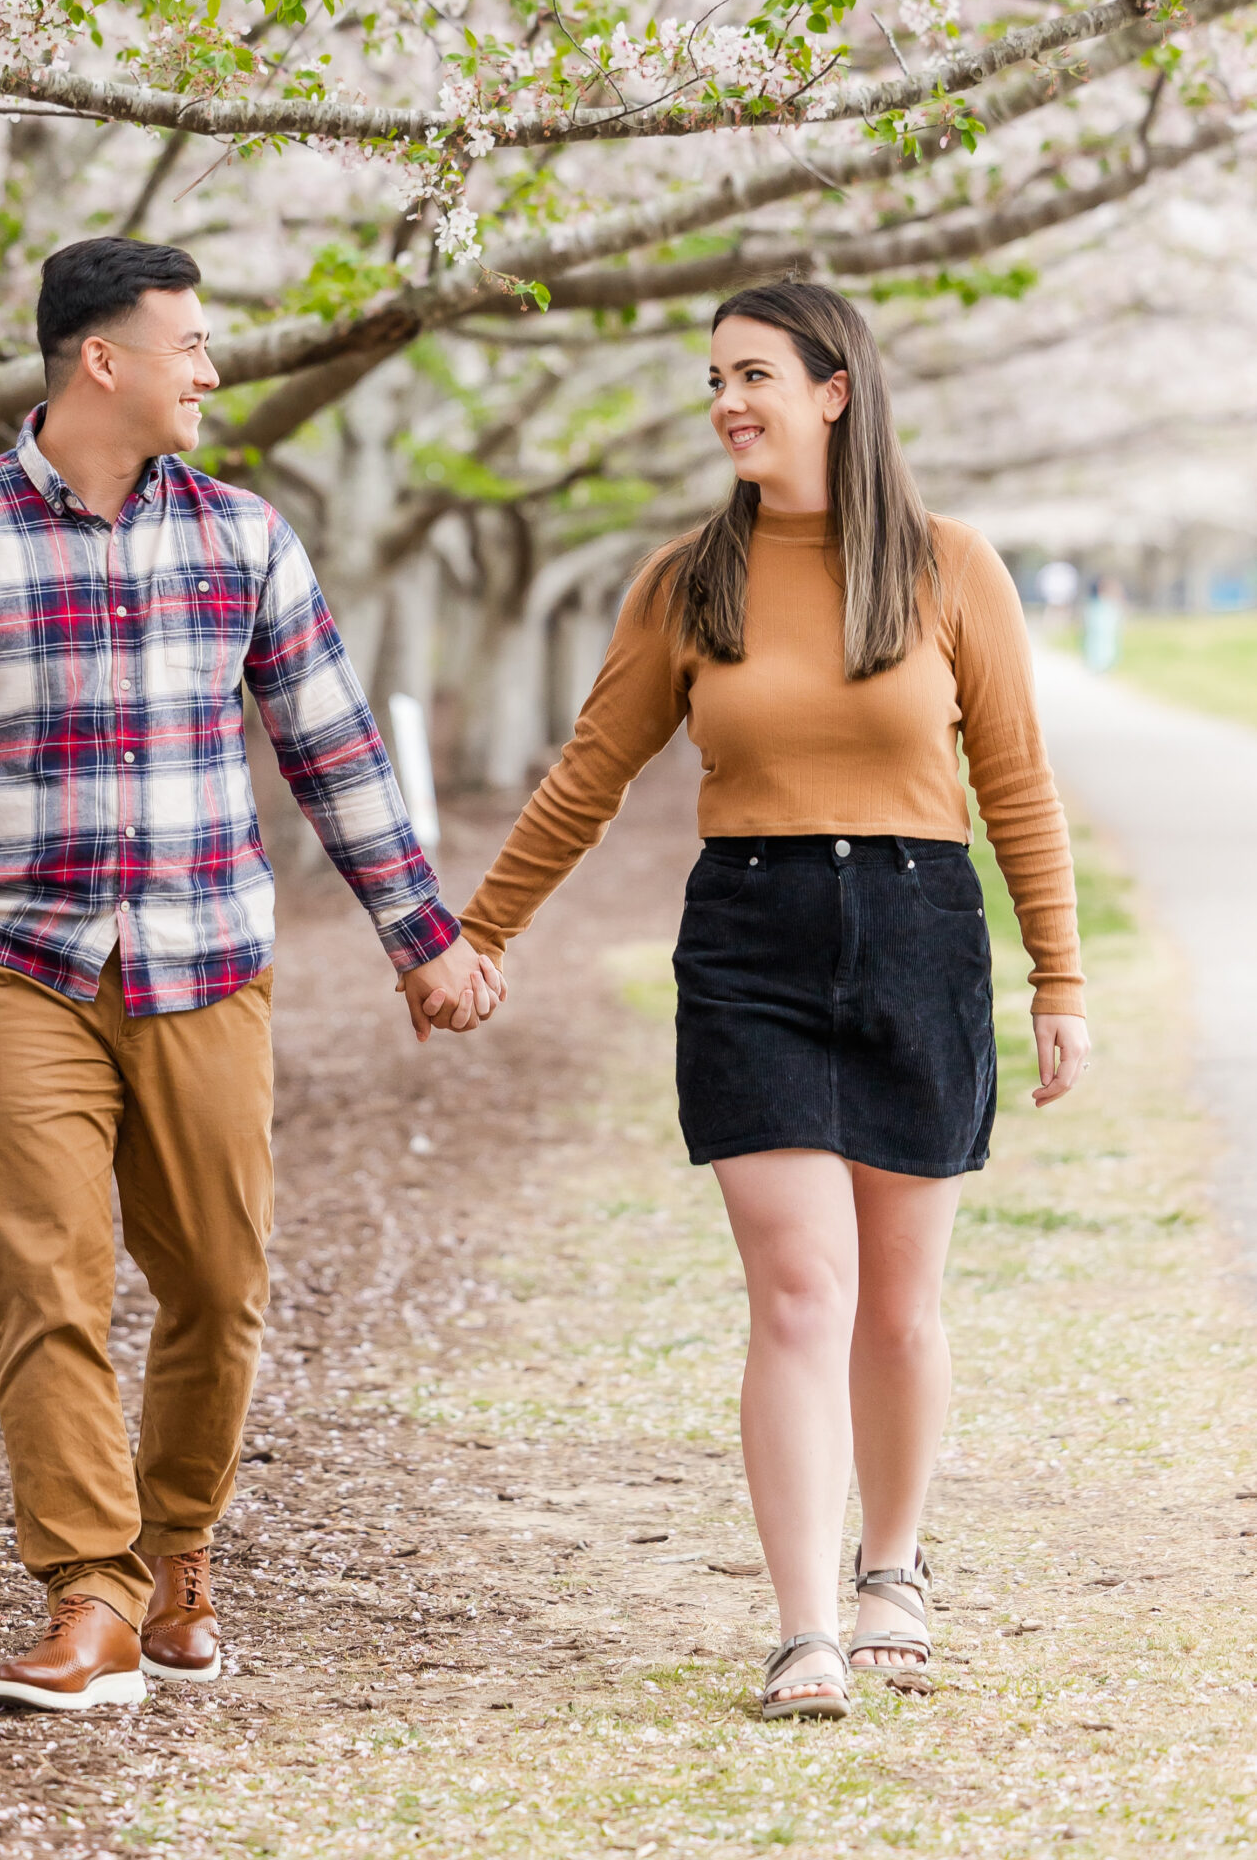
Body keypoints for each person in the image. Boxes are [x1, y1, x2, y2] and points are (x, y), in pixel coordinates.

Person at [0, 235, 502, 1713]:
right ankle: (90, 1597)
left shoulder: (244, 539)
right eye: (189, 344)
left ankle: (178, 1549)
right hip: (17, 965)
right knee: (47, 1277)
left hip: (203, 962)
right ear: (102, 360)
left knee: (217, 1283)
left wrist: (421, 937)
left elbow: (334, 752)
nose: (211, 370)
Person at [458, 281, 1088, 1720]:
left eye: (752, 374)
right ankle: (804, 1623)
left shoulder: (945, 565)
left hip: (921, 931)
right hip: (749, 935)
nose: (727, 402)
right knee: (799, 1289)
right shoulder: (688, 578)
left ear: (832, 390)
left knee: (898, 1305)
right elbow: (589, 773)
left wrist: (1058, 975)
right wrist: (482, 929)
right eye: (711, 380)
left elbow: (1015, 782)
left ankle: (891, 1570)